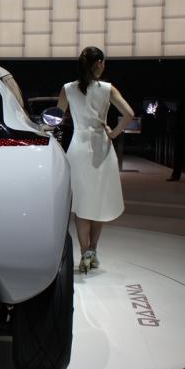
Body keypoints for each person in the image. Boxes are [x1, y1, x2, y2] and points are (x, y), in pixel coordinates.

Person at [57, 46, 135, 274]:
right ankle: (93, 251)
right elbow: (129, 114)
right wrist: (114, 133)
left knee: (82, 204)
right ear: (99, 63)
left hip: (78, 148)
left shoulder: (68, 89)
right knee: (98, 202)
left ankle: (85, 253)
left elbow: (56, 118)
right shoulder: (107, 89)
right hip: (102, 147)